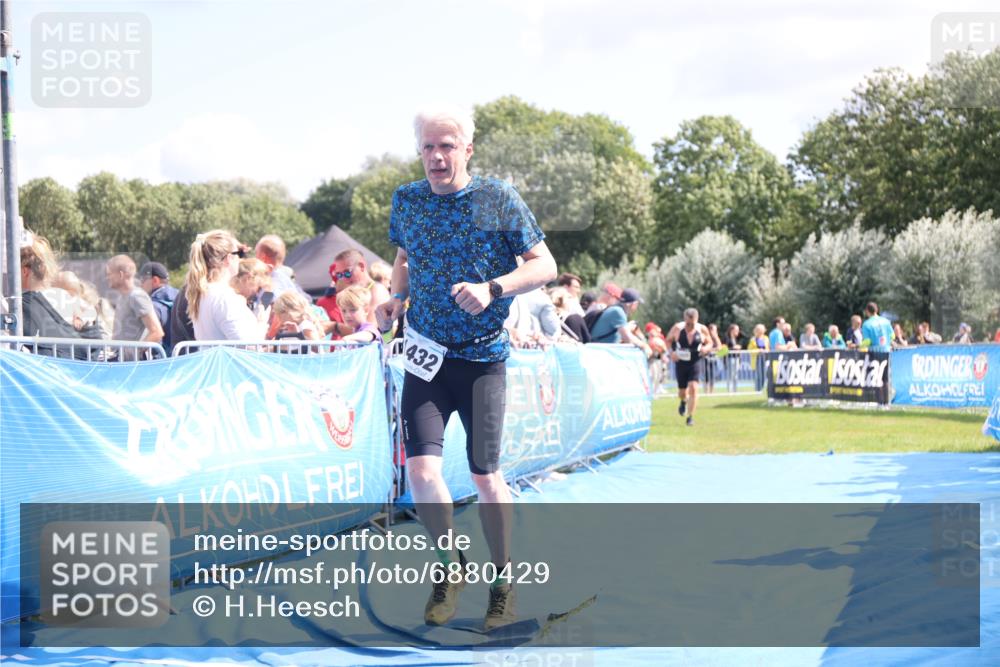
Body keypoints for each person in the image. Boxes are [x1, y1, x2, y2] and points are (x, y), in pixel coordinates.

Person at [374, 107, 556, 630]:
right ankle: (449, 566)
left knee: (485, 475)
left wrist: (492, 289)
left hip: (481, 360)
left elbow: (545, 265)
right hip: (426, 359)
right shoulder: (407, 200)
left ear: (467, 149)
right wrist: (395, 299)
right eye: (428, 147)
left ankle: (502, 583)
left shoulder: (495, 198)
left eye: (447, 146)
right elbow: (406, 258)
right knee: (422, 471)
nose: (436, 156)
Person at [19, 233, 105, 356]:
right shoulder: (67, 297)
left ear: (24, 271)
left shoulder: (20, 304)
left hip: (51, 372)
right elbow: (91, 315)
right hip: (83, 371)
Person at [187, 230, 265, 341]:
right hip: (229, 358)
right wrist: (262, 323)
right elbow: (249, 345)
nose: (240, 259)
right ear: (229, 259)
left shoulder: (203, 292)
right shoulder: (224, 297)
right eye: (238, 254)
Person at [106, 255, 164, 359]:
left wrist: (135, 353)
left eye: (110, 274)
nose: (108, 278)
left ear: (121, 274)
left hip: (132, 366)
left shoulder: (137, 296)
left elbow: (156, 332)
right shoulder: (122, 297)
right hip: (121, 362)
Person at [664, 308, 714, 426]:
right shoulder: (677, 328)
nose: (690, 326)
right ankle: (683, 401)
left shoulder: (702, 329)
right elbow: (668, 341)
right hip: (681, 362)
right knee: (682, 391)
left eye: (693, 324)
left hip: (695, 361)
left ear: (697, 320)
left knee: (693, 387)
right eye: (688, 323)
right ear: (684, 319)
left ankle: (690, 417)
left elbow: (710, 343)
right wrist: (672, 353)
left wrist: (705, 348)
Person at [588, 288, 652, 355]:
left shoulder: (615, 309)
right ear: (632, 304)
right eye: (637, 304)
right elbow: (628, 339)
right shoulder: (618, 312)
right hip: (599, 353)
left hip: (598, 351)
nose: (637, 307)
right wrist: (644, 346)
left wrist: (627, 327)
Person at [139, 262, 179, 355]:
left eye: (142, 280)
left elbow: (154, 337)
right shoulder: (181, 297)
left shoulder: (152, 306)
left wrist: (136, 352)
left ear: (155, 280)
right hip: (186, 359)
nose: (140, 285)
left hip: (162, 363)